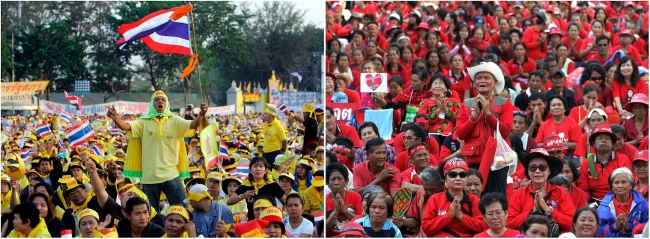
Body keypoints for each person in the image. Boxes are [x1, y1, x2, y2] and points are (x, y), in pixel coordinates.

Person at [106, 90, 208, 211]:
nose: (160, 102)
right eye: (157, 100)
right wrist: (116, 118)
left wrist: (201, 114)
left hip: (171, 174)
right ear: (152, 104)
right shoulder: (143, 121)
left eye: (163, 100)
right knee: (152, 214)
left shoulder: (175, 120)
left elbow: (191, 125)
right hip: (150, 178)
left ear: (167, 104)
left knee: (182, 211)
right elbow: (126, 126)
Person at [455, 61, 512, 195]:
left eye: (486, 78)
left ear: (495, 82)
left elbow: (506, 132)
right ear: (474, 83)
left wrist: (488, 113)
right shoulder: (466, 104)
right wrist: (474, 116)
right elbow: (460, 134)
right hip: (473, 161)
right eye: (479, 78)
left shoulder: (504, 103)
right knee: (473, 199)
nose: (482, 81)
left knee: (496, 198)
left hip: (498, 161)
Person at [507, 148, 575, 232]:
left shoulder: (561, 193)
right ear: (528, 171)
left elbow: (571, 223)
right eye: (533, 167)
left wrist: (548, 209)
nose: (537, 171)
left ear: (549, 171)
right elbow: (510, 224)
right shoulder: (518, 194)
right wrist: (532, 211)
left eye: (542, 167)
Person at [421, 158, 487, 237]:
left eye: (462, 175)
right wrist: (448, 216)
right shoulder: (435, 199)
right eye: (453, 175)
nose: (458, 178)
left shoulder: (474, 200)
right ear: (445, 180)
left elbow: (484, 227)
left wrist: (461, 216)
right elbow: (426, 228)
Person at [577, 124, 633, 204]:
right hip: (594, 201)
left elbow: (627, 185)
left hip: (618, 199)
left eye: (607, 138)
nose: (603, 141)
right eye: (599, 138)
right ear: (593, 144)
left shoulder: (623, 159)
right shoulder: (586, 162)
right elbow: (584, 189)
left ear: (612, 143)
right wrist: (585, 205)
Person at [596, 167, 649, 237]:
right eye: (616, 182)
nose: (620, 186)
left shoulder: (643, 204)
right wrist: (613, 227)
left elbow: (648, 229)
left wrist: (630, 226)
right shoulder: (603, 206)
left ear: (631, 185)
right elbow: (596, 231)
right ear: (611, 186)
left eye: (624, 182)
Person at [228, 157, 285, 221]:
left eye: (261, 166)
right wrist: (243, 196)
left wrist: (283, 213)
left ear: (266, 170)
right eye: (255, 166)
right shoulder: (246, 185)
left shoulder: (272, 184)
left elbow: (285, 202)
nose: (258, 169)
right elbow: (229, 201)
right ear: (250, 170)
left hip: (270, 222)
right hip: (252, 223)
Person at [398, 167, 444, 236]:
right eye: (426, 189)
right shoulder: (420, 193)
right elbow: (416, 222)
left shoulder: (449, 195)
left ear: (442, 184)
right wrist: (403, 221)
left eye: (432, 189)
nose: (429, 193)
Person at [325, 163, 363, 236]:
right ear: (327, 182)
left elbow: (361, 222)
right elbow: (324, 229)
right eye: (332, 179)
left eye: (340, 179)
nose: (336, 183)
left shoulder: (356, 196)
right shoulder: (325, 200)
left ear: (346, 181)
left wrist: (345, 211)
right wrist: (335, 212)